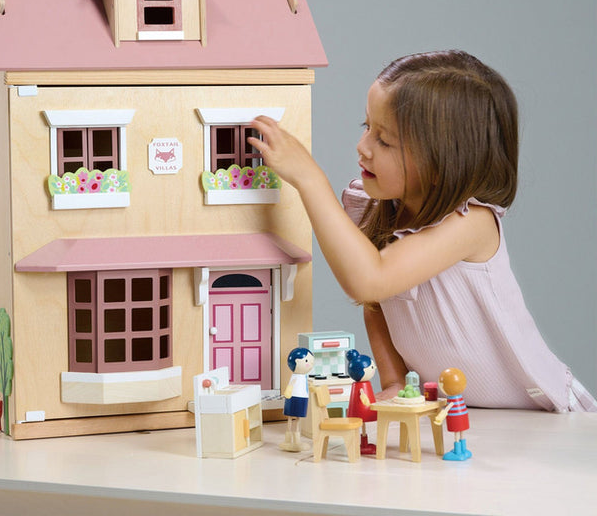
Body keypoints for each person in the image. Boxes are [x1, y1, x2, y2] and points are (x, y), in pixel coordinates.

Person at [249, 50, 596, 413]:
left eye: (384, 140)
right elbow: (376, 305)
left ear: (441, 163)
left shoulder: (473, 223)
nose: (362, 146)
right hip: (463, 411)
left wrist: (310, 179)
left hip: (540, 413)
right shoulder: (383, 212)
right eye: (366, 127)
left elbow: (370, 281)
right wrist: (394, 380)